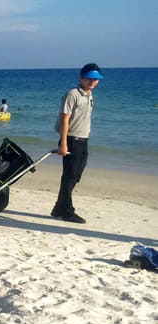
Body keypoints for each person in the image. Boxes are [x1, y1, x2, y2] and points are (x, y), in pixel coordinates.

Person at [51, 63, 103, 224]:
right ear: (81, 78)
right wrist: (63, 143)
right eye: (90, 79)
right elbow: (64, 118)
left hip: (83, 140)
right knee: (69, 176)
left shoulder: (89, 95)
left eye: (96, 79)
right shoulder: (72, 94)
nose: (93, 82)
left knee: (75, 176)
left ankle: (59, 207)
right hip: (72, 139)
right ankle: (66, 210)